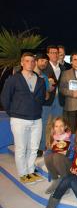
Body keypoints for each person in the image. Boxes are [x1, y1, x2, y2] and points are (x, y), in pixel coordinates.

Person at [1, 52, 46, 184]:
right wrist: (13, 113)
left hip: (36, 119)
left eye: (32, 61)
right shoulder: (13, 79)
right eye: (27, 61)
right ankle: (23, 174)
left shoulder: (40, 80)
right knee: (21, 148)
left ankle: (30, 172)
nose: (30, 63)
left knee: (33, 148)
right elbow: (5, 98)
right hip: (19, 119)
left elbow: (42, 98)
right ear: (22, 63)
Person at [40, 45, 66, 152]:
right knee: (44, 124)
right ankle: (42, 148)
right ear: (48, 54)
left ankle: (56, 147)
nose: (54, 55)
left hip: (59, 100)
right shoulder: (44, 67)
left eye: (56, 52)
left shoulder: (63, 68)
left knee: (58, 125)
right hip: (47, 99)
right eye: (52, 52)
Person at [59, 52, 77, 133]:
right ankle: (72, 145)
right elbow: (62, 88)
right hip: (70, 105)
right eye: (75, 59)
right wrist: (72, 93)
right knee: (71, 129)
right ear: (71, 61)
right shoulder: (65, 73)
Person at [44, 117, 73, 194]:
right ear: (53, 128)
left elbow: (76, 155)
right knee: (48, 157)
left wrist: (67, 153)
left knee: (57, 156)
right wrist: (51, 148)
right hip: (58, 165)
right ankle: (55, 180)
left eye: (61, 126)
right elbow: (47, 154)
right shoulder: (53, 137)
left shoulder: (71, 137)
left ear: (65, 126)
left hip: (69, 166)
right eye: (56, 126)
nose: (59, 128)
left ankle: (65, 183)